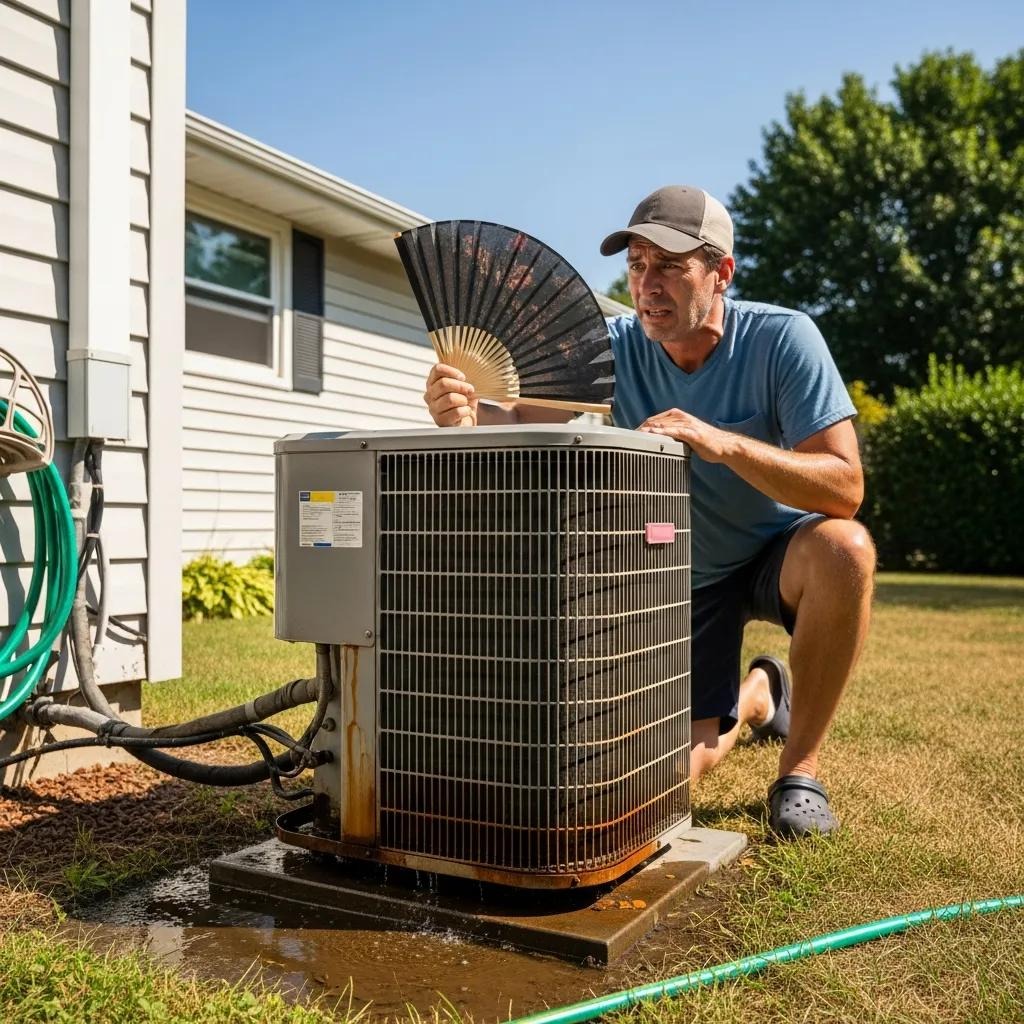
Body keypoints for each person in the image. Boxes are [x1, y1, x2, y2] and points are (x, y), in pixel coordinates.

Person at [422, 185, 875, 838]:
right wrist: (463, 412)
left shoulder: (782, 340)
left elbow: (844, 486)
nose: (647, 284)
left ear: (721, 272)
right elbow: (521, 415)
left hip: (777, 552)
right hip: (678, 567)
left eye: (669, 265)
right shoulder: (609, 347)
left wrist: (721, 443)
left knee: (846, 548)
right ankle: (758, 696)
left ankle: (798, 771)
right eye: (637, 265)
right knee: (670, 774)